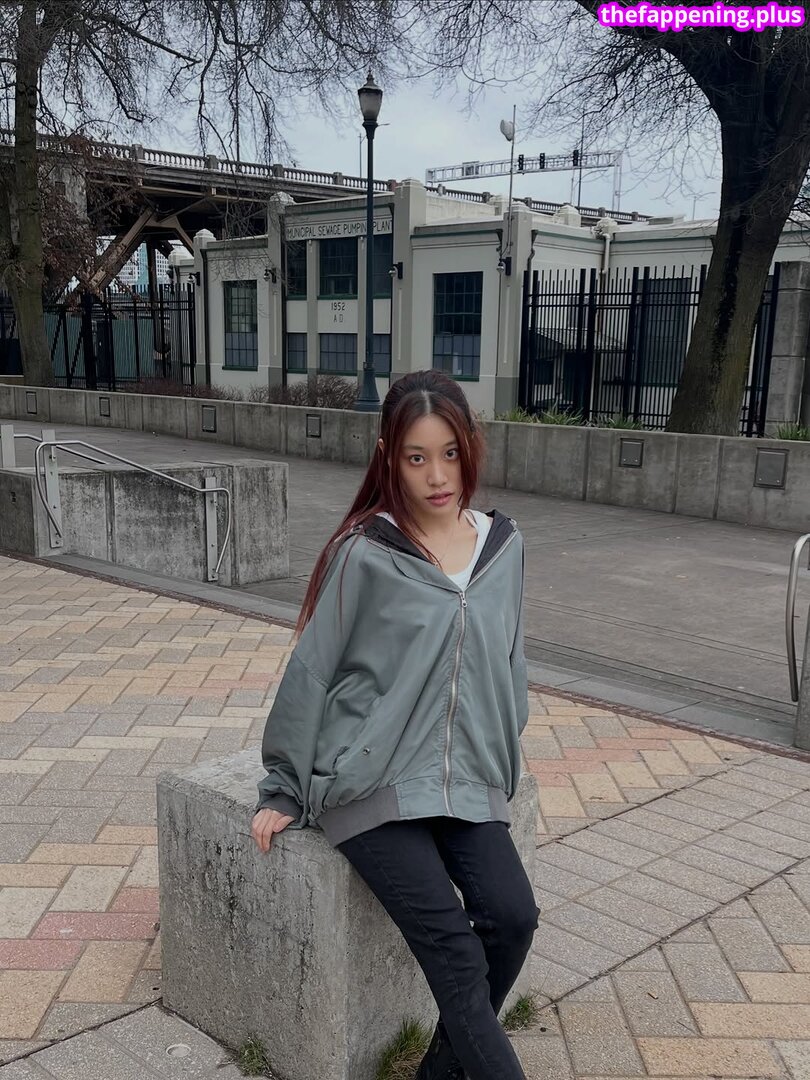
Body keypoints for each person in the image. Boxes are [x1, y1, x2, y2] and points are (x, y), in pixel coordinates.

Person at [251, 369, 538, 1080]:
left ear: (471, 446)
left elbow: (509, 662)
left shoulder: (504, 548)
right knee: (457, 953)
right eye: (416, 457)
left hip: (465, 780)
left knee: (513, 918)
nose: (437, 475)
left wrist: (501, 765)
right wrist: (283, 785)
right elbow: (313, 671)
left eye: (449, 453)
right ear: (389, 456)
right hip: (370, 783)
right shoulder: (366, 553)